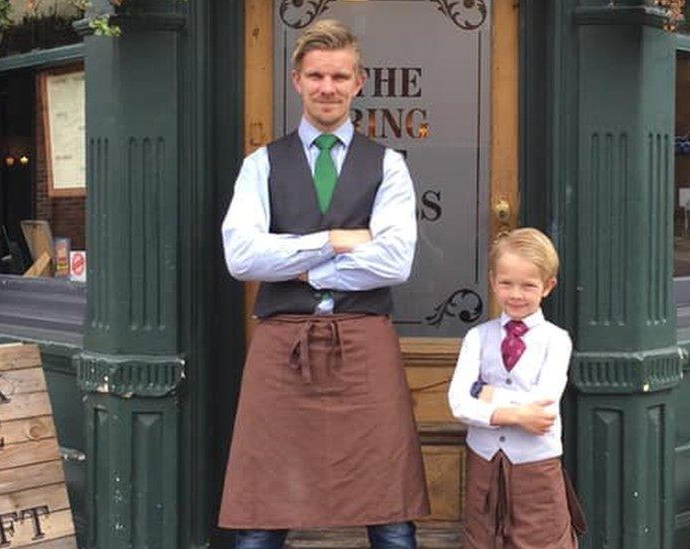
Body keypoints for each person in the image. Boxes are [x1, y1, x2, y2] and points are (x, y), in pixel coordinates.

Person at [217, 19, 429, 549]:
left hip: (364, 339)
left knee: (390, 510)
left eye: (339, 76)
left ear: (359, 81)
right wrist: (334, 239)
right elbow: (241, 256)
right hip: (281, 343)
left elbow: (395, 262)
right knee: (261, 508)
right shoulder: (259, 165)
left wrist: (295, 260)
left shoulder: (390, 166)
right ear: (296, 81)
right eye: (316, 75)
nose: (327, 87)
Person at [448, 228, 586, 549]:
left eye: (528, 285)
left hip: (536, 469)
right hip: (484, 464)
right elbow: (458, 402)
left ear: (548, 287)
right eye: (506, 283)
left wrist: (485, 392)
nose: (516, 294)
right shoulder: (477, 338)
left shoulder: (556, 340)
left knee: (543, 541)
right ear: (493, 282)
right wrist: (515, 413)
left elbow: (543, 406)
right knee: (482, 539)